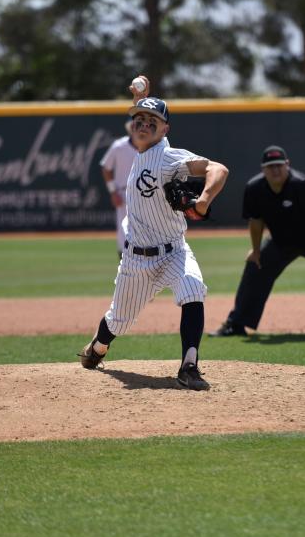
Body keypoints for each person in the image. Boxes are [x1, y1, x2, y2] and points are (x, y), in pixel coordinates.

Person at [78, 75, 229, 391]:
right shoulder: (141, 150)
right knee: (118, 320)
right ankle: (97, 348)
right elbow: (144, 120)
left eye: (152, 121)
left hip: (174, 250)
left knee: (192, 289)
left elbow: (219, 169)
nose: (143, 124)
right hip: (137, 261)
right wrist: (140, 99)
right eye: (139, 120)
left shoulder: (168, 156)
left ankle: (189, 366)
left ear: (165, 130)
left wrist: (202, 201)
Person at [209, 145, 305, 338]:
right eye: (270, 166)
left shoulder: (302, 184)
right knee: (255, 265)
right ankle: (237, 323)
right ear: (263, 169)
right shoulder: (254, 188)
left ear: (287, 165)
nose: (275, 170)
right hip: (282, 239)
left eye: (279, 165)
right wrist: (256, 251)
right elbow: (256, 222)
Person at [99, 120, 138, 257]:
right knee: (124, 231)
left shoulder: (151, 147)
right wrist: (112, 191)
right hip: (123, 193)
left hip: (145, 193)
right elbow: (106, 167)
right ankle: (124, 261)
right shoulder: (119, 146)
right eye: (134, 127)